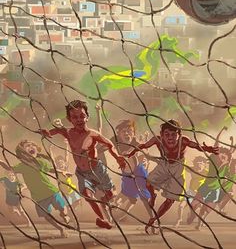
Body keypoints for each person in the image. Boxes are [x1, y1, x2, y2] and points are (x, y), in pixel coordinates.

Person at [39, 99, 126, 230]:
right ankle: (103, 219)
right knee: (87, 195)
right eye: (74, 117)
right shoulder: (68, 132)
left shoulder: (93, 134)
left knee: (111, 195)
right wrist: (47, 133)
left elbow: (109, 144)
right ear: (69, 119)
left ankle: (104, 201)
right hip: (82, 172)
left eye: (82, 116)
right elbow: (57, 131)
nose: (79, 119)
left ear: (87, 117)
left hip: (97, 170)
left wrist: (117, 157)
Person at [127, 119, 219, 233]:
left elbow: (196, 146)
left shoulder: (183, 141)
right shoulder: (157, 139)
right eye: (167, 134)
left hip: (178, 167)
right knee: (148, 182)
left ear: (179, 135)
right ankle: (153, 195)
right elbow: (144, 145)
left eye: (173, 134)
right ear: (162, 135)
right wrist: (132, 152)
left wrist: (208, 148)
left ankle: (154, 219)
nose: (170, 137)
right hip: (164, 164)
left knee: (170, 199)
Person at [0, 140, 69, 238]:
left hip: (51, 191)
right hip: (39, 197)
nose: (31, 147)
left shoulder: (40, 162)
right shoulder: (22, 166)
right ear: (22, 154)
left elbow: (50, 169)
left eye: (32, 145)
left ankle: (65, 215)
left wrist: (62, 172)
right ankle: (61, 229)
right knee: (46, 216)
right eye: (27, 146)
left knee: (63, 209)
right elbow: (9, 168)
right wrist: (1, 161)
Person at [175, 156, 208, 227]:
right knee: (181, 206)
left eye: (202, 164)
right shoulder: (192, 169)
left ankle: (200, 222)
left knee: (200, 209)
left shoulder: (207, 172)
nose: (199, 166)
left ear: (204, 164)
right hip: (191, 192)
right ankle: (179, 219)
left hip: (200, 194)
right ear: (195, 164)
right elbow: (183, 165)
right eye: (198, 163)